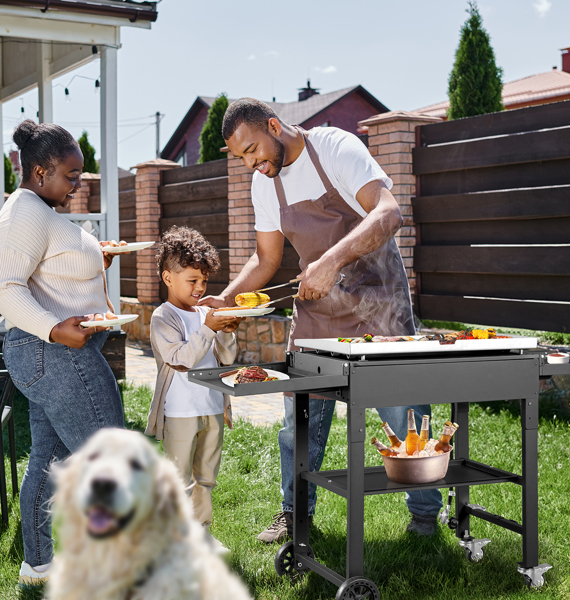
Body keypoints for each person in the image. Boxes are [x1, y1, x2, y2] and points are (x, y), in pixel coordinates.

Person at [199, 98, 443, 543]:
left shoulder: (334, 147)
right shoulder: (264, 184)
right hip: (318, 312)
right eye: (241, 157)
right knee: (300, 419)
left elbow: (389, 213)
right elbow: (266, 257)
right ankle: (295, 513)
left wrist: (330, 261)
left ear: (274, 125)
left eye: (253, 149)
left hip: (378, 304)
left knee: (404, 409)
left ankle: (426, 515)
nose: (251, 163)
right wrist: (228, 299)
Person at [0, 120, 125, 588]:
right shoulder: (27, 212)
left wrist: (97, 258)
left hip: (45, 353)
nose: (78, 185)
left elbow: (52, 270)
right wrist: (54, 330)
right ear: (38, 171)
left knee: (49, 459)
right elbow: (5, 288)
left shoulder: (38, 208)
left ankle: (38, 565)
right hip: (50, 352)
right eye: (71, 176)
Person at [145, 226, 242, 552]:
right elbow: (181, 359)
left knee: (206, 477)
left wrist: (226, 330)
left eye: (204, 280)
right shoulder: (163, 316)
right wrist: (209, 328)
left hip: (213, 407)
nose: (200, 288)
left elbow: (227, 357)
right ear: (168, 278)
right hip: (180, 412)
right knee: (179, 478)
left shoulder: (205, 313)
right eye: (192, 280)